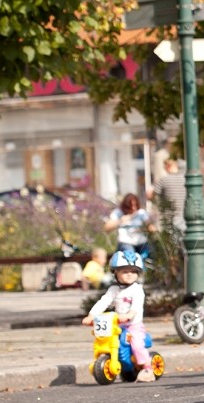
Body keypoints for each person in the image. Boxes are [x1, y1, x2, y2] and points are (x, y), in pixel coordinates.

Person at [82, 250, 156, 383]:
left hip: (133, 325)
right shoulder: (114, 290)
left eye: (133, 271)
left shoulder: (137, 289)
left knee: (137, 344)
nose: (129, 275)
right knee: (103, 340)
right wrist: (92, 315)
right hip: (117, 325)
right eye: (125, 271)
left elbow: (137, 306)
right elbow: (103, 302)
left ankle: (147, 368)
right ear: (115, 272)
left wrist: (130, 315)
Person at [104, 193, 156, 259]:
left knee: (152, 253)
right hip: (126, 243)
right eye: (130, 206)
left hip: (141, 242)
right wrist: (120, 220)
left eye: (135, 205)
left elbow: (149, 225)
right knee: (130, 257)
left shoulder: (141, 213)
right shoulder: (118, 213)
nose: (133, 208)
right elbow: (106, 228)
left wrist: (150, 228)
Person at [149, 154, 187, 235]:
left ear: (168, 165)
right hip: (185, 218)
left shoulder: (163, 180)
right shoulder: (186, 179)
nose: (164, 168)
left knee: (172, 246)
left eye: (164, 166)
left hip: (170, 220)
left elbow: (151, 197)